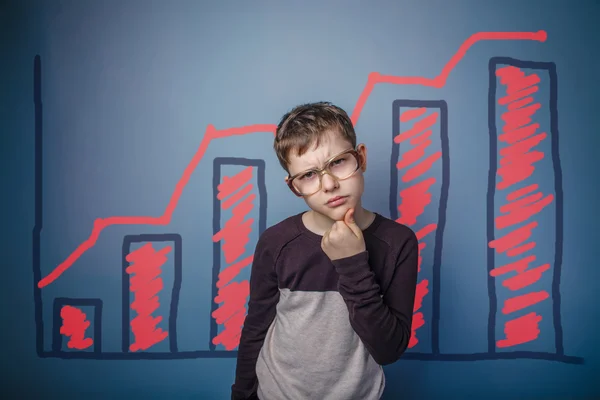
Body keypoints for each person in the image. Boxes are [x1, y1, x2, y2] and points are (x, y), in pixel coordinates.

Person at [231, 101, 419, 400]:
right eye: (308, 175)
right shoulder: (275, 242)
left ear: (361, 157)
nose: (329, 184)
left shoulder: (398, 242)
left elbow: (388, 349)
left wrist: (353, 263)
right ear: (294, 187)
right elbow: (256, 328)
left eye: (338, 162)